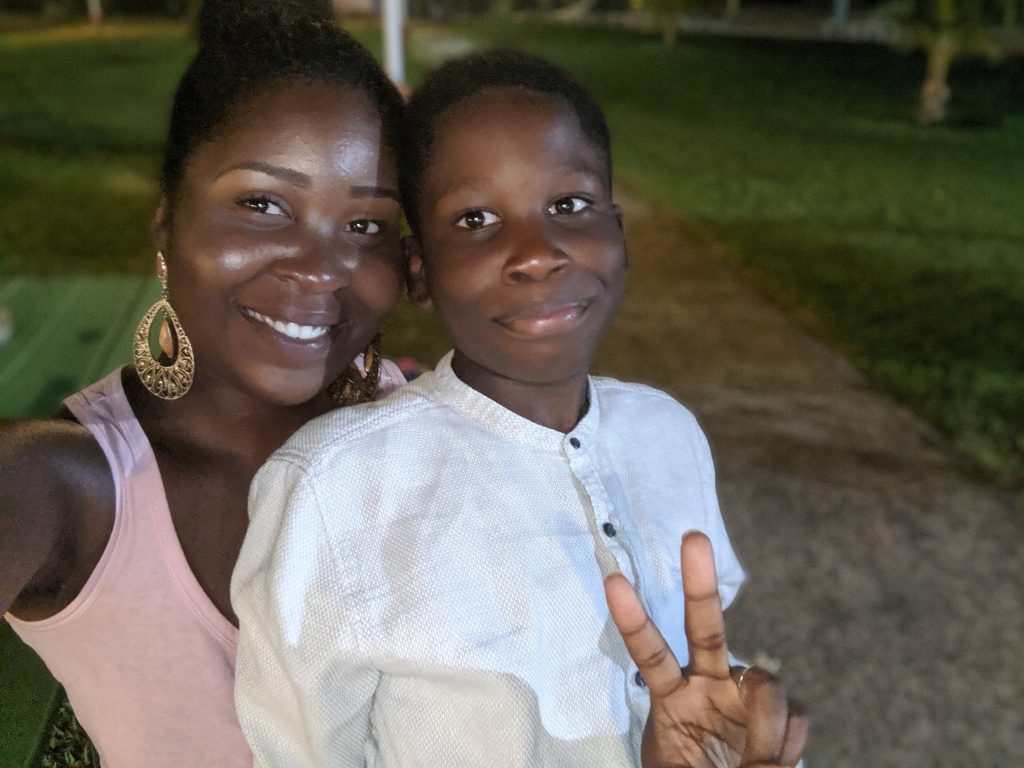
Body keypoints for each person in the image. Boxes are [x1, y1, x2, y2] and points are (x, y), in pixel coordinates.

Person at [233, 50, 808, 767]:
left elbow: (694, 656)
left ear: (618, 234)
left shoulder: (668, 434)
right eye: (475, 218)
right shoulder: (336, 490)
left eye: (568, 206)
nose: (536, 254)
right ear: (420, 272)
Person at [0, 5, 407, 766]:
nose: (319, 267)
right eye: (261, 204)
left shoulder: (427, 431)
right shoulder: (65, 487)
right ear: (168, 228)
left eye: (364, 225)